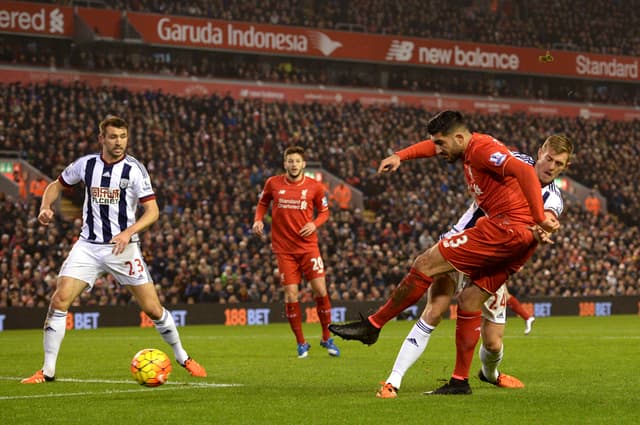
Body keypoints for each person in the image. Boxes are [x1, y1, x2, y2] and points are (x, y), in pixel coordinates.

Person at [329, 110, 560, 373]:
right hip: (510, 236)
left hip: (502, 231)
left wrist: (541, 219)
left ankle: (373, 326)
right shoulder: (470, 147)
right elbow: (436, 146)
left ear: (460, 138)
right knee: (472, 307)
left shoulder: (483, 150)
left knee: (425, 265)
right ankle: (462, 380)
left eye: (442, 143)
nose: (438, 149)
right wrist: (400, 156)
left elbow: (525, 174)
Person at [375, 136, 572, 398]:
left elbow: (547, 218)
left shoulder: (554, 198)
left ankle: (490, 374)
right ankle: (393, 381)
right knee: (434, 309)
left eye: (559, 164)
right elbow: (459, 145)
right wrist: (402, 154)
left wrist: (543, 227)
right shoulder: (514, 162)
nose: (551, 166)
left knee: (492, 342)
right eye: (549, 158)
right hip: (464, 240)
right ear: (540, 152)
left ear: (564, 167)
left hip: (494, 260)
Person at [21, 116, 207, 384]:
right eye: (112, 137)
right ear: (102, 139)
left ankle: (182, 357)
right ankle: (47, 371)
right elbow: (55, 185)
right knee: (59, 299)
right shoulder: (86, 165)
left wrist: (129, 232)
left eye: (122, 136)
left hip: (124, 249)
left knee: (153, 309)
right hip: (88, 246)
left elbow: (152, 211)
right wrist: (45, 207)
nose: (118, 142)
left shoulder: (134, 170)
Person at [253, 146, 340, 358]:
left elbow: (325, 212)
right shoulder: (273, 183)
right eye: (290, 161)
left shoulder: (315, 187)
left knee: (321, 290)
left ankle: (327, 337)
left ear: (303, 164)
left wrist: (315, 224)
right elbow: (263, 202)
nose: (293, 164)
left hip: (309, 247)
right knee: (291, 294)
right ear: (285, 164)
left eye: (297, 161)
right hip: (284, 250)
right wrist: (257, 220)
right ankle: (301, 343)